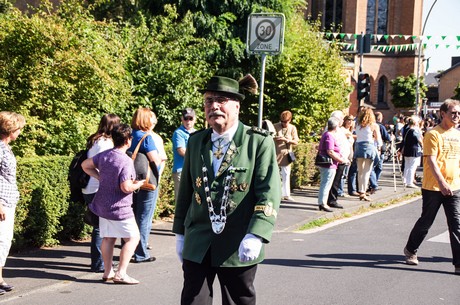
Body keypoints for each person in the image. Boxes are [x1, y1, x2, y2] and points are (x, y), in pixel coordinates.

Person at [172, 75, 281, 305]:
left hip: (238, 241)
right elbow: (186, 193)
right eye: (209, 100)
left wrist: (256, 233)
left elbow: (268, 191)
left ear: (237, 106)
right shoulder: (196, 142)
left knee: (238, 301)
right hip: (199, 239)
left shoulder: (257, 142)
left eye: (221, 100)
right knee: (193, 300)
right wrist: (180, 233)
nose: (214, 106)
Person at [403, 99, 460, 276]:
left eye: (459, 113)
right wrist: (442, 182)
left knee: (456, 225)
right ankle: (411, 249)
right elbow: (431, 160)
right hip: (433, 187)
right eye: (453, 113)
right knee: (426, 222)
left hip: (454, 186)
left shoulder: (458, 135)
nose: (457, 116)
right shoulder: (433, 134)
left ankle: (458, 264)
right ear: (443, 114)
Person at [82, 114, 120, 273]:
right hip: (98, 188)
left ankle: (100, 262)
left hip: (89, 187)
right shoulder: (106, 143)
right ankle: (99, 264)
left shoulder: (94, 140)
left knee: (99, 226)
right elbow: (105, 166)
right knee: (100, 227)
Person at [128, 108, 161, 263]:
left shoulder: (128, 135)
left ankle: (129, 249)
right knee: (144, 217)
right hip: (147, 183)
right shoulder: (146, 137)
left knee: (132, 215)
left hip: (130, 181)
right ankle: (141, 253)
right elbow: (155, 159)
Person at [0, 111, 25, 295]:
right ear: (10, 129)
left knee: (4, 241)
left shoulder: (5, 147)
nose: (20, 132)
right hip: (2, 202)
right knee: (1, 240)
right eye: (19, 128)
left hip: (8, 199)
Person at [316, 117, 348, 212]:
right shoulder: (330, 136)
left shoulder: (326, 134)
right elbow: (330, 151)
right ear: (336, 126)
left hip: (328, 164)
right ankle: (323, 203)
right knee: (326, 184)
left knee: (325, 183)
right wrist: (341, 160)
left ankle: (322, 202)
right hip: (329, 164)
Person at [354, 108, 382, 201]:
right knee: (367, 171)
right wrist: (379, 148)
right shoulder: (373, 125)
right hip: (369, 147)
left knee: (360, 171)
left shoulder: (357, 125)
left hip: (358, 147)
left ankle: (360, 190)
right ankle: (363, 191)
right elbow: (378, 139)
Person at [326, 110, 350, 208]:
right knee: (334, 181)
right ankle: (332, 200)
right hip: (337, 159)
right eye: (342, 118)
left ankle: (332, 199)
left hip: (341, 159)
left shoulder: (339, 129)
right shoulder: (332, 130)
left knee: (337, 180)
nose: (343, 120)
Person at [274, 110, 299, 201]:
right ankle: (277, 193)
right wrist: (276, 138)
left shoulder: (292, 128)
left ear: (290, 120)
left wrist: (287, 140)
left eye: (286, 122)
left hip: (286, 154)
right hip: (275, 154)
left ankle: (286, 194)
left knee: (286, 175)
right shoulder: (275, 126)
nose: (284, 124)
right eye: (282, 122)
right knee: (275, 175)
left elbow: (296, 141)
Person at [172, 108, 196, 200]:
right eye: (186, 118)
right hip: (181, 171)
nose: (188, 121)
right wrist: (197, 157)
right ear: (182, 119)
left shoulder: (196, 133)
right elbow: (181, 151)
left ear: (195, 119)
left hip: (193, 170)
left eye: (191, 118)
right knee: (181, 200)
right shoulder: (179, 133)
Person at [368, 111, 391, 194]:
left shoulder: (371, 125)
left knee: (374, 167)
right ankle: (374, 184)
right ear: (380, 118)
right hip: (379, 149)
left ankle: (373, 184)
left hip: (375, 148)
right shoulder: (380, 126)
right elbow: (387, 137)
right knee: (377, 167)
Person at [401, 115, 423, 188]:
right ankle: (410, 182)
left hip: (407, 149)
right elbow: (419, 140)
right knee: (412, 166)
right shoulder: (415, 131)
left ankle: (405, 180)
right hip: (414, 149)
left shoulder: (406, 129)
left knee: (407, 166)